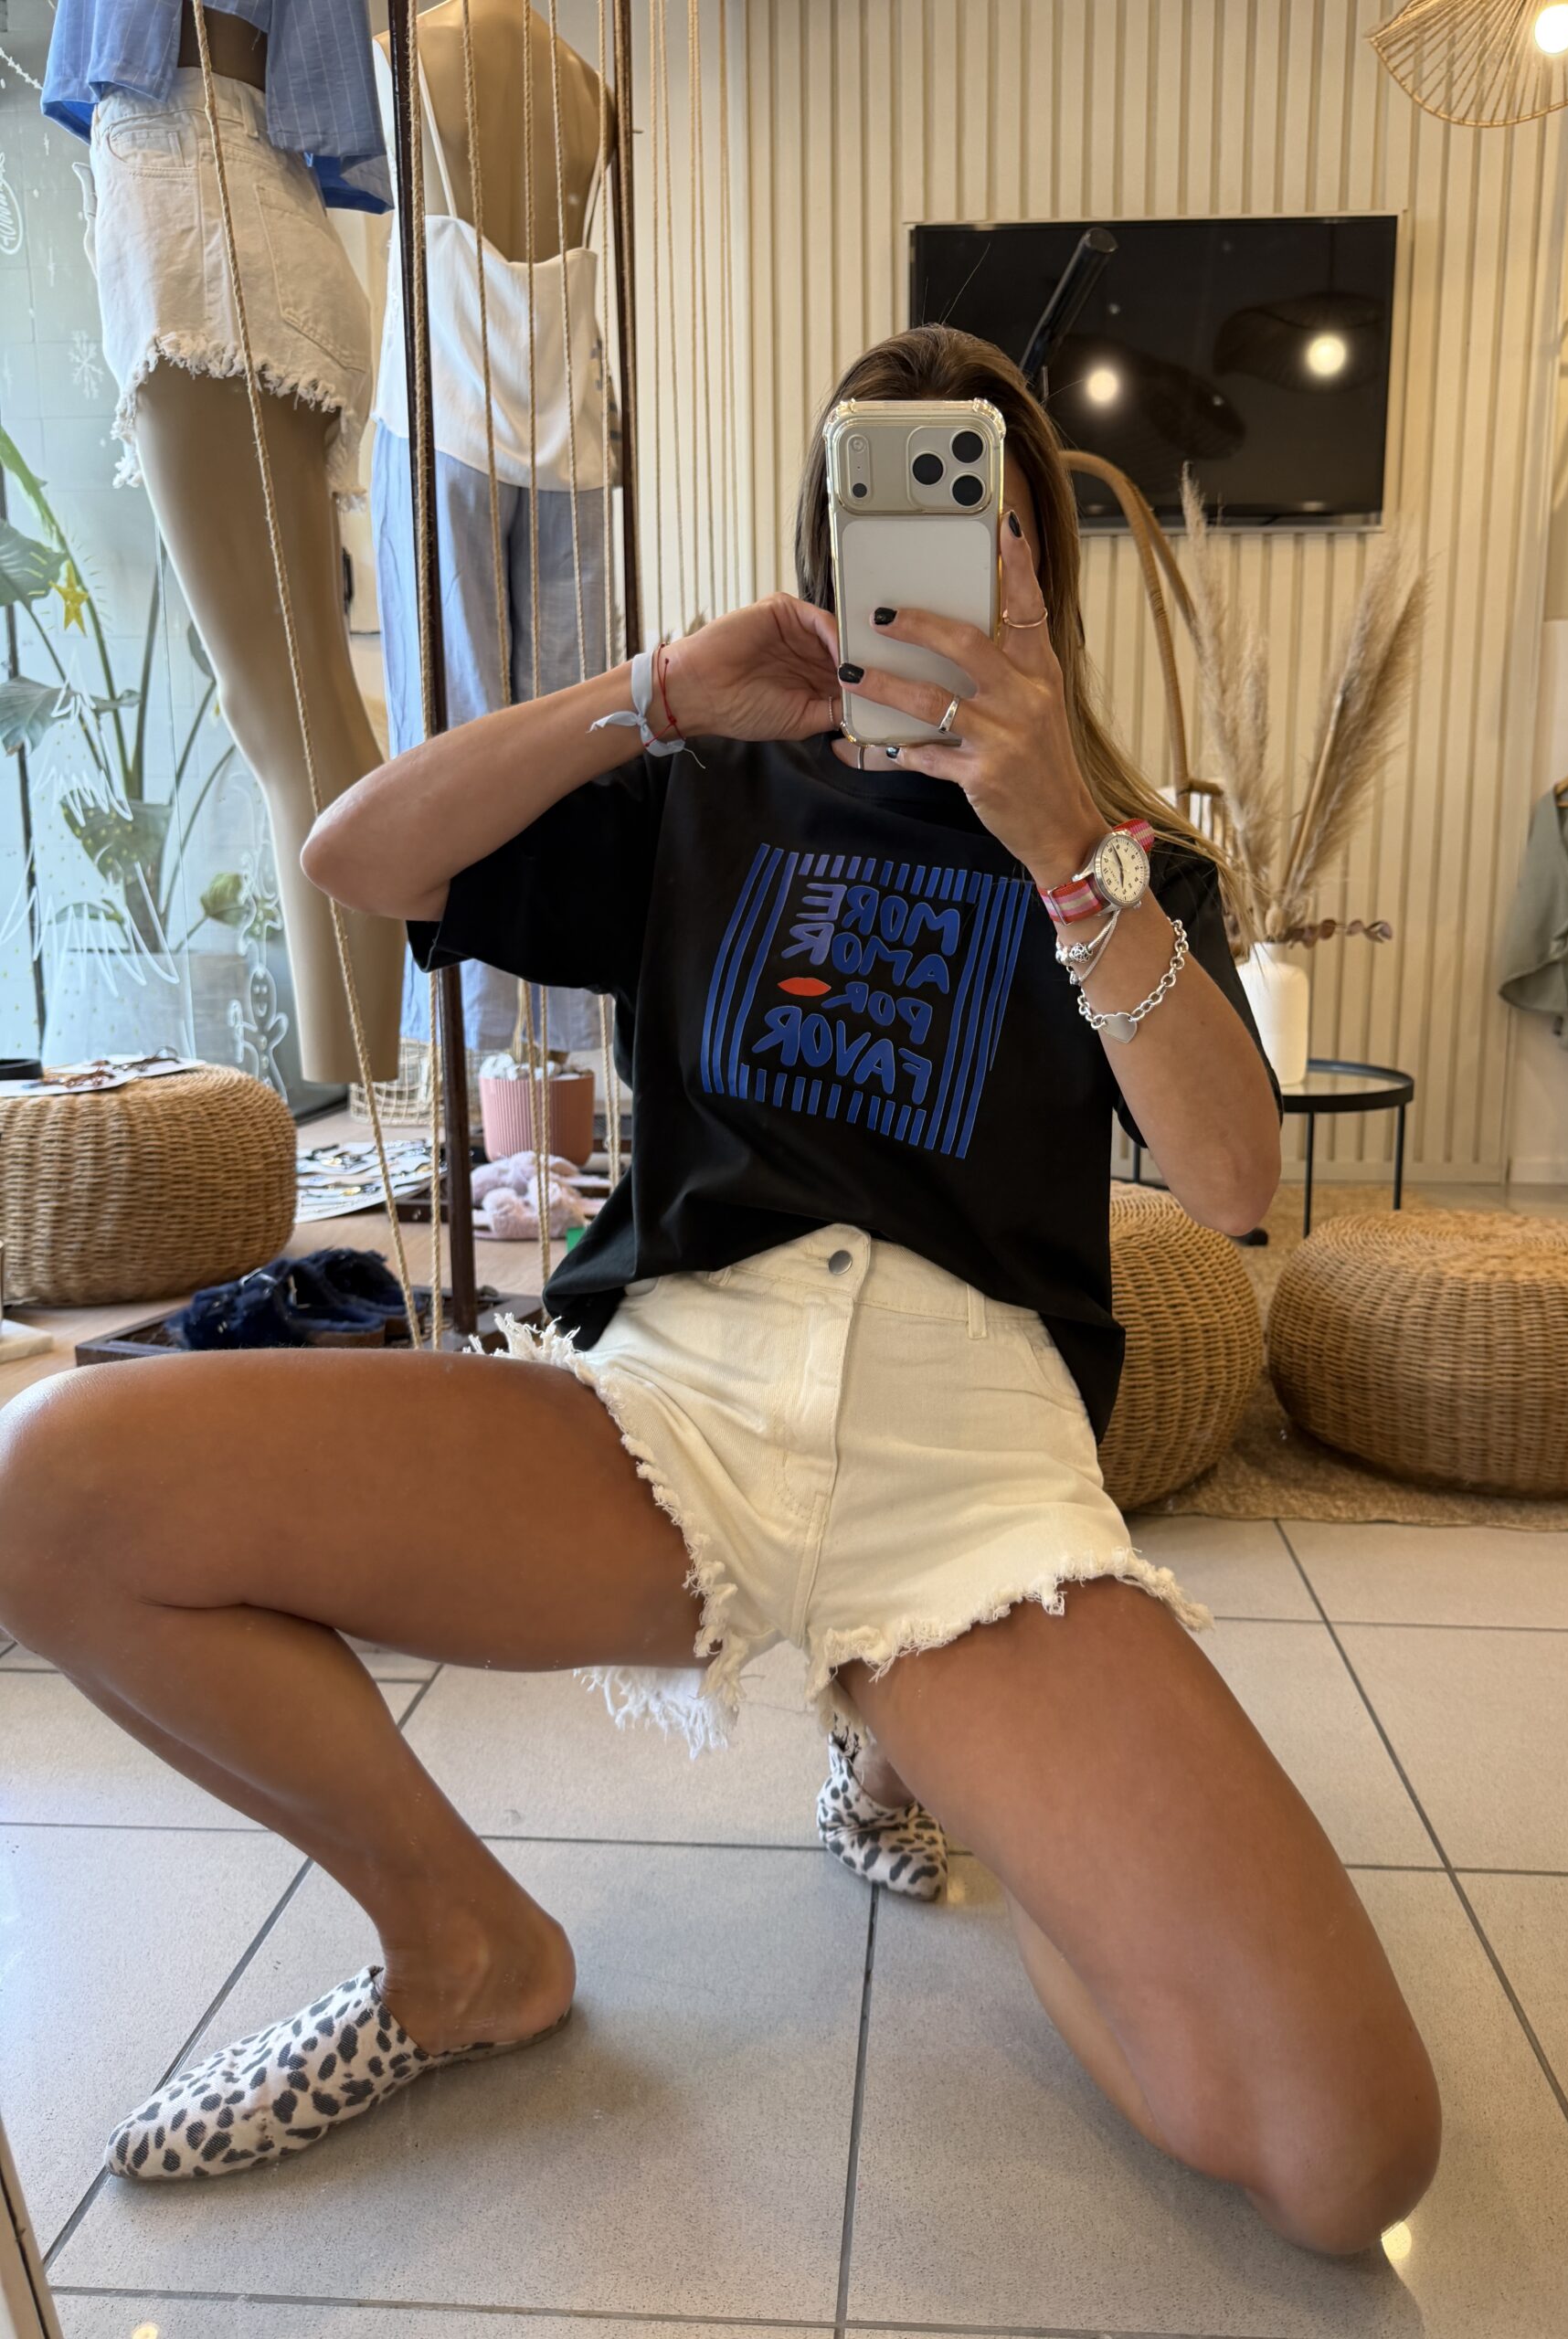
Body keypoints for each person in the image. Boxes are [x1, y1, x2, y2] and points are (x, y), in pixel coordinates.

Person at [0, 325, 1439, 2252]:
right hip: (669, 1419)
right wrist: (653, 693)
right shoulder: (712, 797)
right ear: (825, 556)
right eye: (881, 516)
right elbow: (356, 856)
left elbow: (1237, 1186)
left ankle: (936, 1755)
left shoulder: (1126, 862)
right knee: (50, 1484)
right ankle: (462, 1945)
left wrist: (1061, 845)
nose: (934, 564)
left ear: (1038, 567)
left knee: (1349, 2154)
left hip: (973, 1481)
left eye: (981, 521)